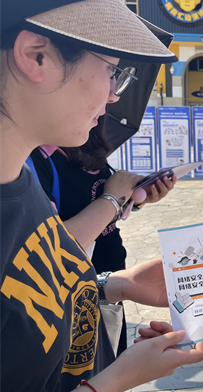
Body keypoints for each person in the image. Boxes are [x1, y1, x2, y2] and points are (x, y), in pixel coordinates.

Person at [0, 0, 203, 392]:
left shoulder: (22, 182)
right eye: (113, 70)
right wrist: (116, 380)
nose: (115, 94)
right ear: (36, 55)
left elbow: (29, 296)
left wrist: (114, 284)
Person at [29, 115, 177, 355]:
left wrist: (135, 199)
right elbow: (49, 251)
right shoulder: (35, 158)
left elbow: (93, 201)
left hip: (106, 283)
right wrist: (113, 197)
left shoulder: (89, 146)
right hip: (64, 294)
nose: (111, 94)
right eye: (108, 77)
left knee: (107, 361)